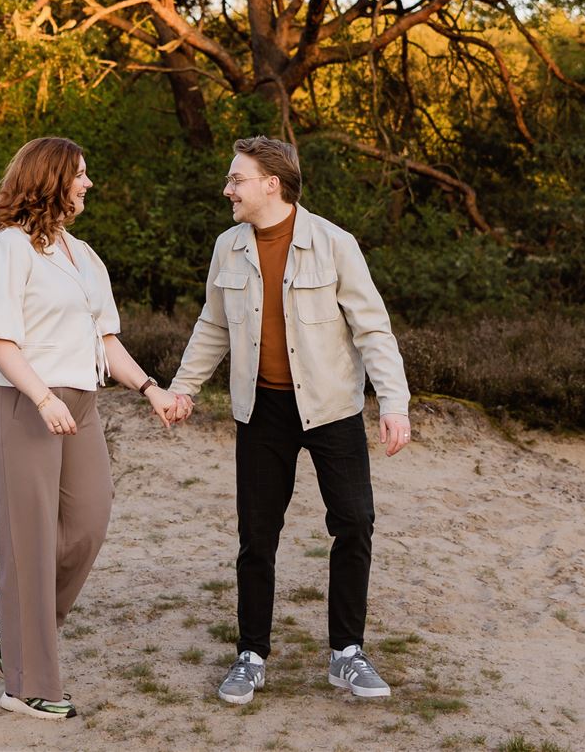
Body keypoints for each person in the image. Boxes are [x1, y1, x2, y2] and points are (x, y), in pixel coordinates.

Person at [162, 136, 412, 705]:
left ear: (271, 183)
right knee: (257, 535)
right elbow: (213, 326)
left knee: (354, 521)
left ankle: (346, 653)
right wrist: (183, 388)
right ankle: (251, 654)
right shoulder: (228, 248)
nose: (228, 189)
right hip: (261, 410)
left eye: (237, 180)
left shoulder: (334, 244)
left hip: (331, 408)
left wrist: (393, 404)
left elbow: (374, 330)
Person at [0, 137, 183, 720]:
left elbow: (105, 339)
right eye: (80, 175)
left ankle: (3, 615)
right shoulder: (7, 250)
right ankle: (28, 684)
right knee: (29, 540)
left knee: (89, 521)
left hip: (81, 403)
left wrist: (149, 389)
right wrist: (39, 395)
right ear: (51, 179)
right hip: (20, 402)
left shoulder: (82, 255)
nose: (88, 185)